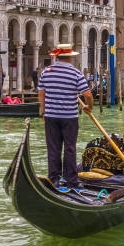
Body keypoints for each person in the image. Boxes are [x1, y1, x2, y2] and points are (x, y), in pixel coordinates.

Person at [38, 43, 93, 190]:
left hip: (51, 116)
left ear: (57, 57)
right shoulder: (75, 73)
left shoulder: (46, 72)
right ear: (70, 57)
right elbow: (87, 94)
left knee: (53, 148)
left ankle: (53, 179)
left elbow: (41, 92)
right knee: (70, 148)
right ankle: (71, 181)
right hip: (69, 117)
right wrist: (89, 107)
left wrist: (43, 111)